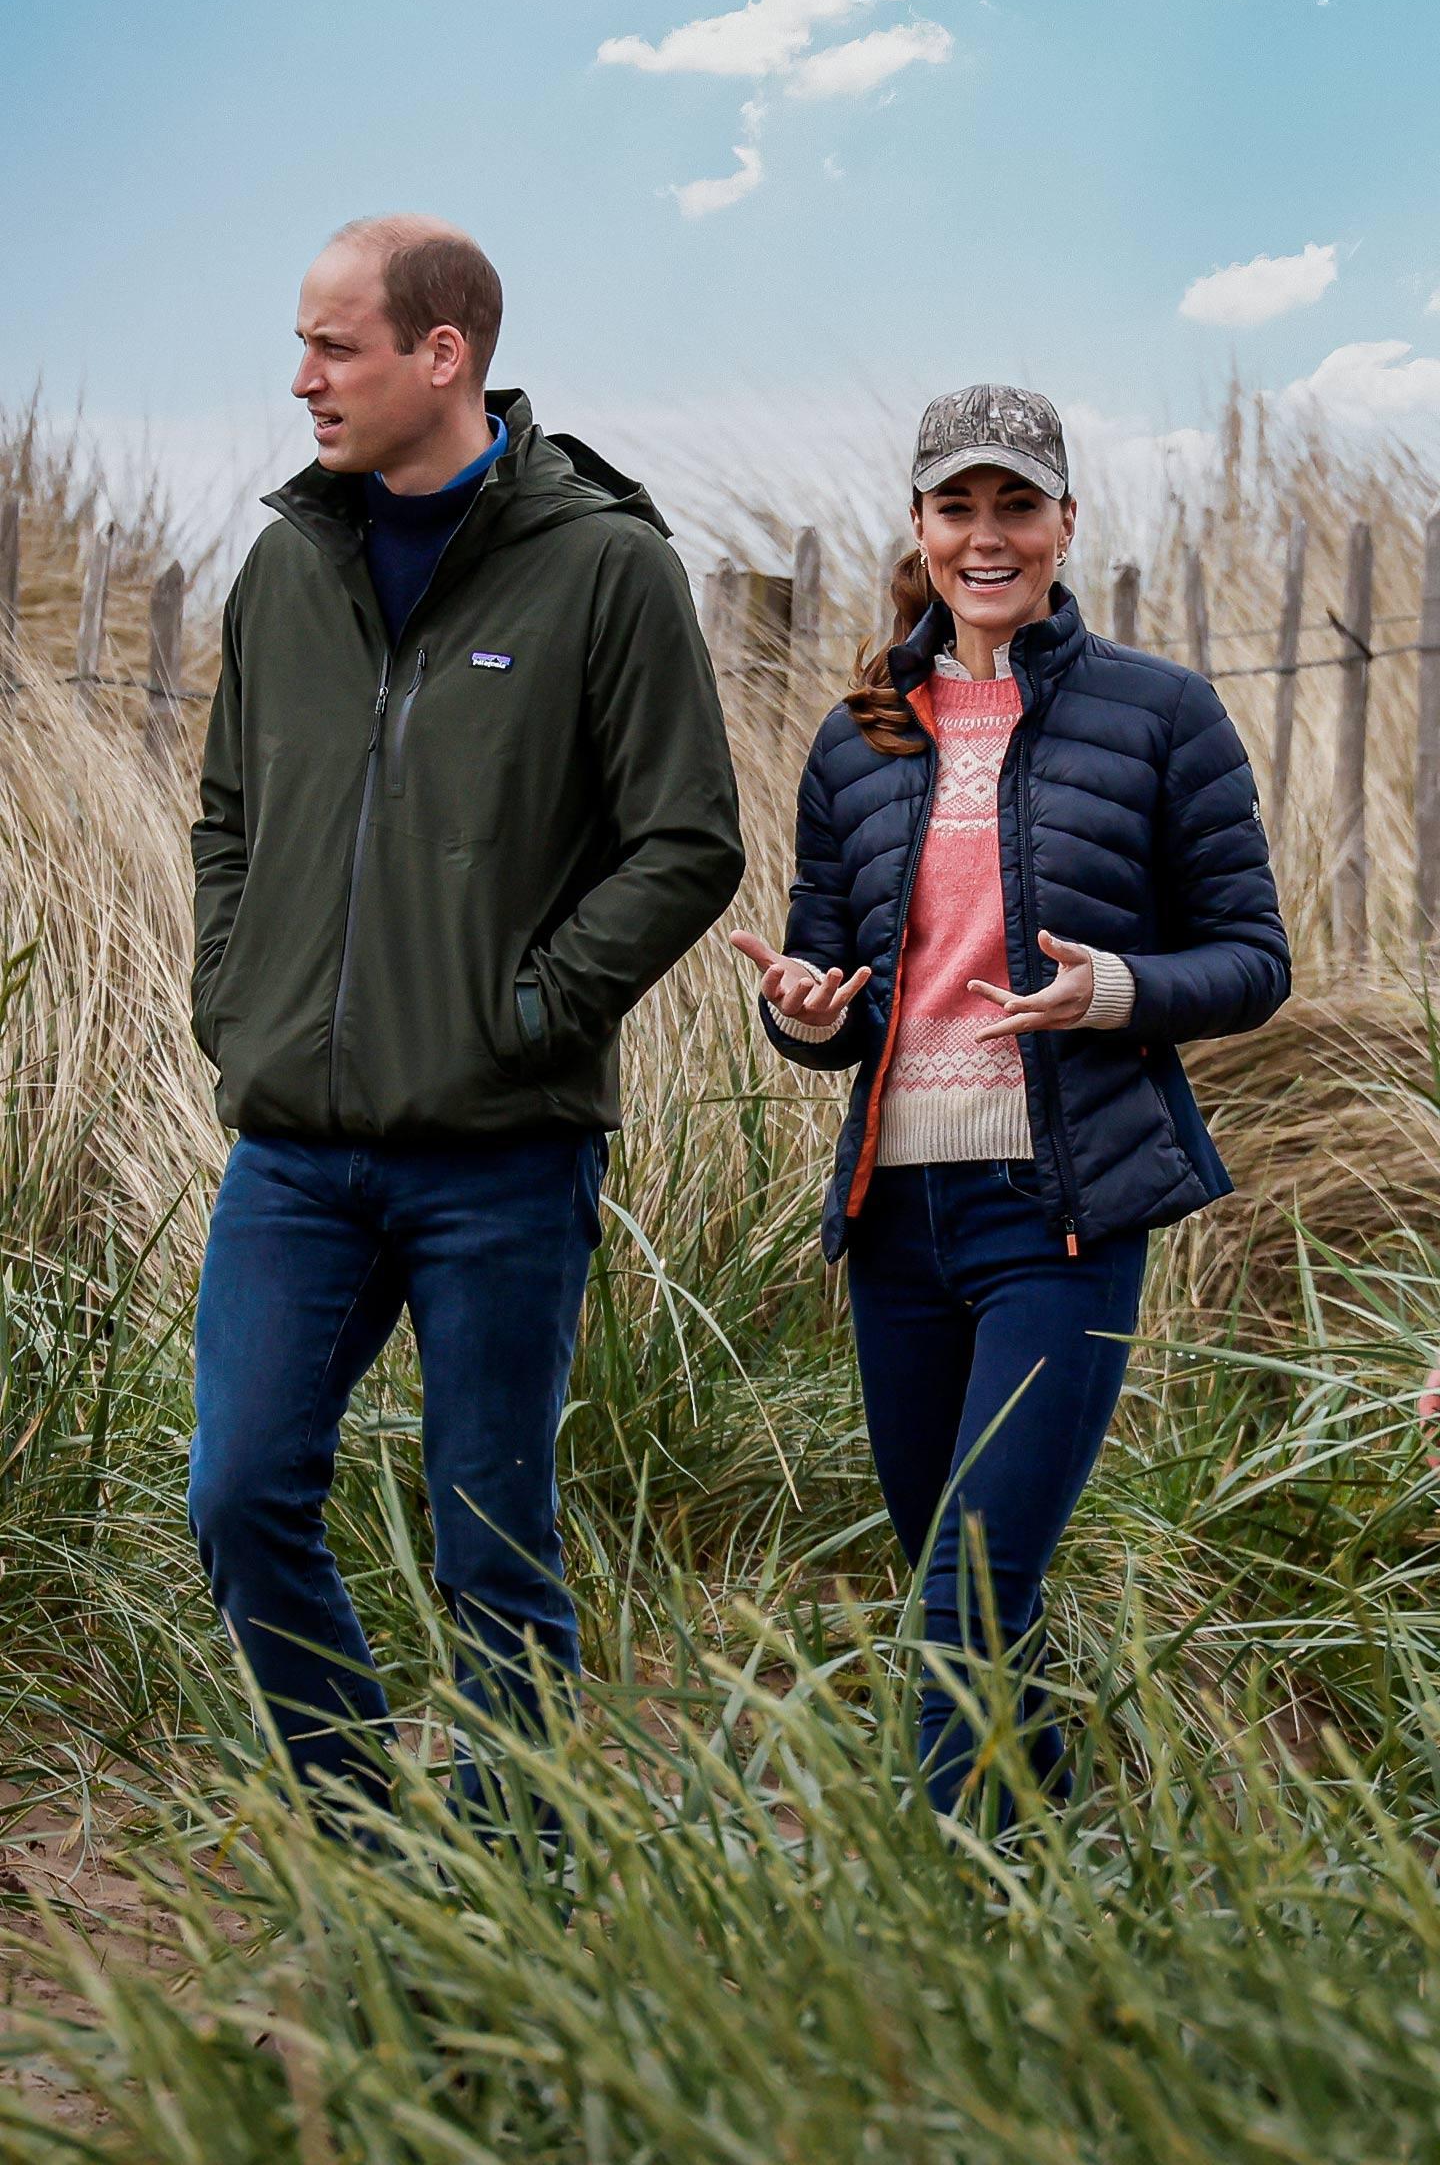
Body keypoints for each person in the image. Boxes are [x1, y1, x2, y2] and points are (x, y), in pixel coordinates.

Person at [188, 214, 744, 1818]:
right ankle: (369, 1839)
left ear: (445, 356)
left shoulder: (606, 566)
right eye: (302, 346)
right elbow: (228, 816)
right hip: (294, 1150)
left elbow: (688, 840)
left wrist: (529, 1011)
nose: (305, 379)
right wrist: (237, 996)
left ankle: (519, 1882)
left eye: (334, 346)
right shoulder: (287, 564)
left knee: (490, 1539)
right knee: (238, 1496)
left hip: (503, 1151)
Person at [733, 384, 1289, 1825]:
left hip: (1062, 1211)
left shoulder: (1161, 714)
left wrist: (1116, 990)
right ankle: (1059, 1863)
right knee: (970, 1595)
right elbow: (825, 976)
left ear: (1065, 524)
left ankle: (936, 1907)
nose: (987, 538)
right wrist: (803, 1014)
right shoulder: (858, 738)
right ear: (919, 529)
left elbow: (1253, 961)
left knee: (966, 1600)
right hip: (896, 1220)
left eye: (1016, 506)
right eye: (957, 508)